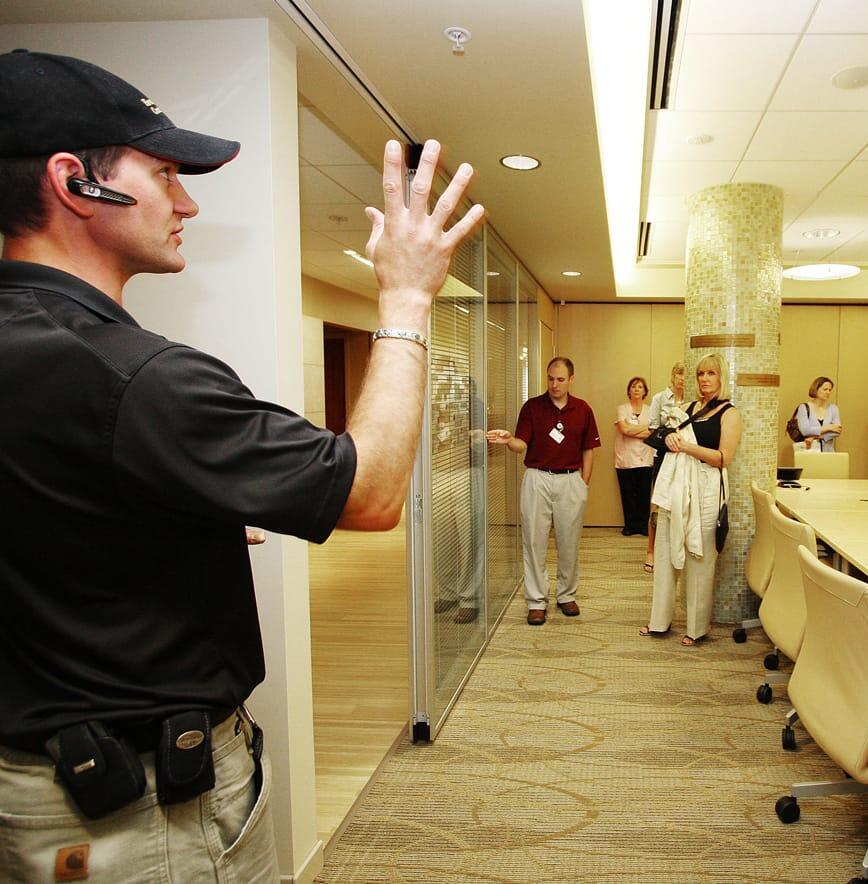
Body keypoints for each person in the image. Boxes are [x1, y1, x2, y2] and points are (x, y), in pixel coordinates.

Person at [0, 50, 483, 881]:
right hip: (140, 819)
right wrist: (405, 301)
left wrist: (169, 522)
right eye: (162, 173)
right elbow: (368, 492)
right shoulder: (137, 378)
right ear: (76, 181)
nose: (186, 201)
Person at [487, 357, 600, 624]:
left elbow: (589, 449)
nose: (554, 384)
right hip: (537, 478)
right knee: (534, 541)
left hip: (571, 480)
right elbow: (520, 444)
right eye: (550, 378)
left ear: (571, 379)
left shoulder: (583, 409)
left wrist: (584, 483)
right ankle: (536, 601)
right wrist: (508, 440)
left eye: (560, 379)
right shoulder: (532, 407)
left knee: (569, 542)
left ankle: (566, 595)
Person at [639, 354, 741, 646]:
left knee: (700, 558)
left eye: (711, 373)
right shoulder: (687, 407)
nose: (704, 379)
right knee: (664, 552)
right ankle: (659, 621)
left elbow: (724, 457)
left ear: (721, 377)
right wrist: (670, 439)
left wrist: (687, 447)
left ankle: (696, 628)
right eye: (700, 374)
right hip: (676, 487)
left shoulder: (729, 413)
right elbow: (661, 435)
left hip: (707, 489)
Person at [643, 361, 686, 573]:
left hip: (686, 456)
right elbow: (652, 428)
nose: (682, 379)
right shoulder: (660, 398)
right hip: (664, 455)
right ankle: (651, 550)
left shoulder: (694, 400)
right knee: (657, 504)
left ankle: (676, 550)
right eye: (679, 374)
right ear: (673, 375)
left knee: (679, 502)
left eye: (686, 375)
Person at [614, 376, 653, 536]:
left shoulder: (650, 410)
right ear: (629, 391)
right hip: (626, 457)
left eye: (640, 387)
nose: (637, 389)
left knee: (644, 493)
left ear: (645, 392)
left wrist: (633, 429)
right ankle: (630, 525)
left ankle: (643, 526)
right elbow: (624, 430)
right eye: (634, 387)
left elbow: (653, 432)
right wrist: (644, 429)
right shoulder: (622, 408)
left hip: (646, 456)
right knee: (628, 492)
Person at [793, 376, 842, 452]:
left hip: (828, 453)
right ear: (816, 389)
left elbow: (837, 431)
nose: (828, 392)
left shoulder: (833, 408)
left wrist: (813, 437)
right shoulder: (803, 408)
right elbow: (805, 431)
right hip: (809, 451)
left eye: (830, 390)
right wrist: (827, 428)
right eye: (825, 389)